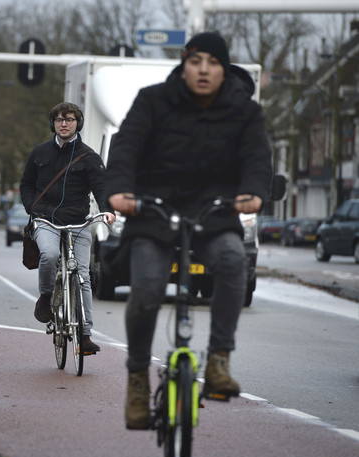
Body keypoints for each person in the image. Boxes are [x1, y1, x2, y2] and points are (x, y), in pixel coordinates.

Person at [105, 32, 272, 429]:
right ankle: (137, 382)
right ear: (183, 64)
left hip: (213, 211)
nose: (203, 70)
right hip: (153, 208)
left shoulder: (244, 111)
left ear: (223, 69)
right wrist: (119, 192)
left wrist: (253, 193)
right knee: (146, 287)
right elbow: (126, 148)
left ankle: (218, 361)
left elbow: (256, 157)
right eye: (196, 62)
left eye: (213, 63)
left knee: (233, 262)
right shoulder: (152, 101)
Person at [20, 102, 116, 355]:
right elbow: (26, 184)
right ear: (53, 123)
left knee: (83, 276)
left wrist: (107, 211)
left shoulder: (89, 157)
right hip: (46, 220)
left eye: (70, 119)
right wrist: (32, 207)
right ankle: (45, 296)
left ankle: (85, 335)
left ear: (78, 124)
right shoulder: (39, 153)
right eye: (60, 119)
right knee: (50, 256)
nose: (64, 123)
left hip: (79, 222)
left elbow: (102, 188)